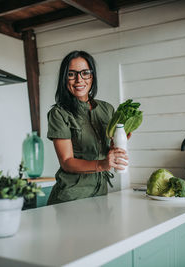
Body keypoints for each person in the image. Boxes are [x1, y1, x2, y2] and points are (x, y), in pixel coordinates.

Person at [47, 50, 129, 205]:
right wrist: (102, 164)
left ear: (92, 76)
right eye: (71, 74)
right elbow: (67, 161)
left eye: (85, 73)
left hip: (100, 194)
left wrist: (117, 144)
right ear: (64, 78)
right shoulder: (59, 114)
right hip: (71, 198)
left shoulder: (107, 109)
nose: (79, 79)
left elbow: (107, 146)